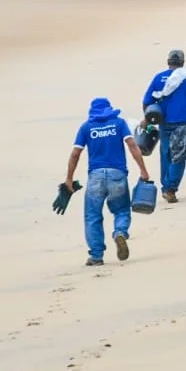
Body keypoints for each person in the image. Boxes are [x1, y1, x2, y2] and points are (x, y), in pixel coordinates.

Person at [60, 97, 152, 266]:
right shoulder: (119, 123)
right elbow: (132, 145)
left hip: (95, 177)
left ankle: (96, 256)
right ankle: (120, 232)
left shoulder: (86, 127)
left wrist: (69, 179)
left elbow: (75, 154)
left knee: (93, 216)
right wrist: (143, 170)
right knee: (122, 210)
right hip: (117, 175)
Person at [140, 49, 186, 203]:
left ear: (168, 62)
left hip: (162, 124)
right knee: (180, 156)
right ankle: (170, 188)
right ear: (182, 63)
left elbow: (146, 102)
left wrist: (148, 121)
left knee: (166, 154)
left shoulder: (158, 78)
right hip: (180, 124)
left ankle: (166, 185)